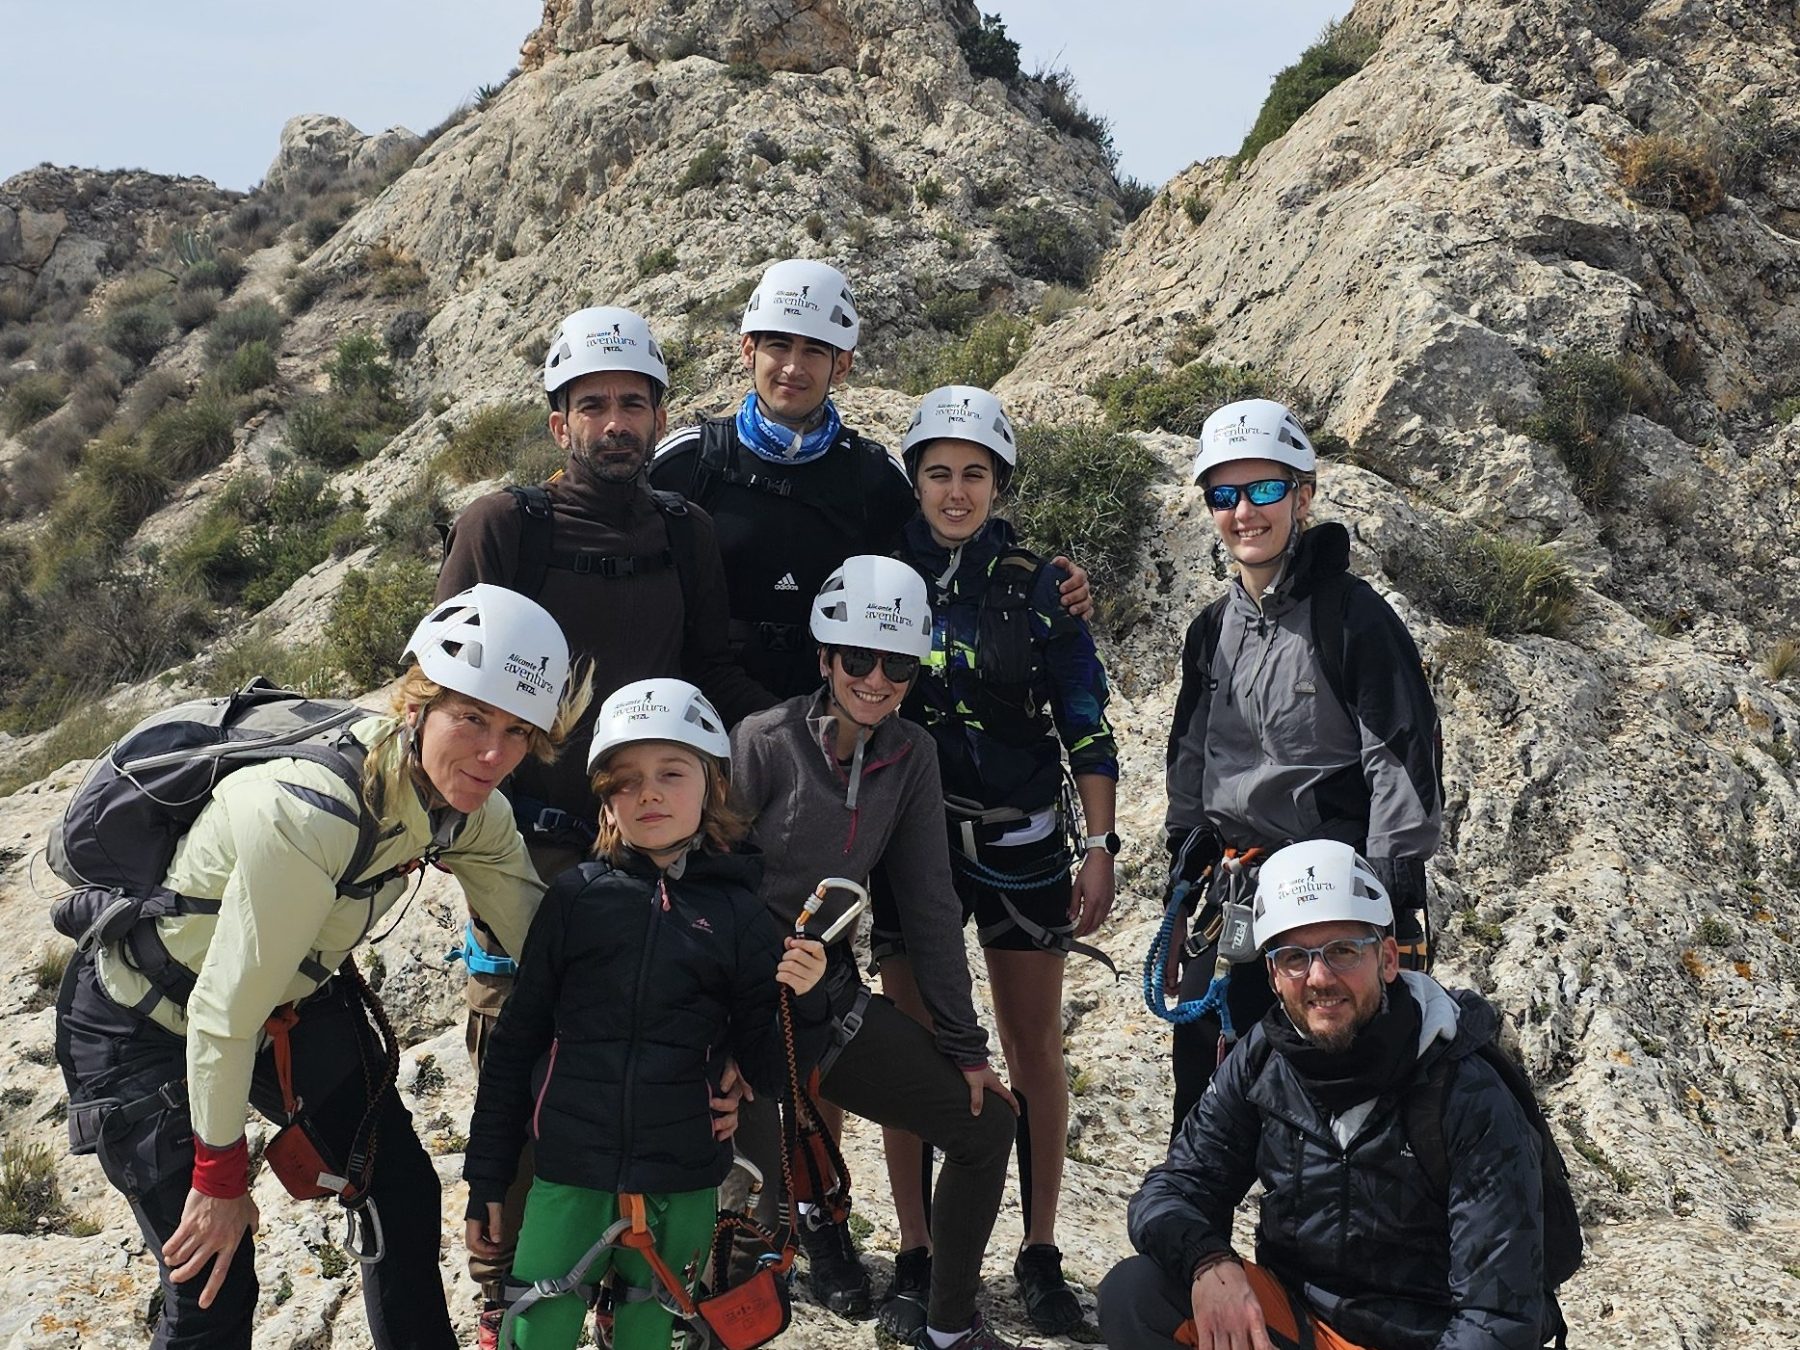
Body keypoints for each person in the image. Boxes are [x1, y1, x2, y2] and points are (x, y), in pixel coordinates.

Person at [53, 585, 588, 1349]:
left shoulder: (469, 809)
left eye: (518, 732)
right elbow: (221, 1016)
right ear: (417, 706)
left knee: (400, 1191)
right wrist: (218, 1176)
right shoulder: (306, 811)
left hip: (286, 1001)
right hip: (142, 1021)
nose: (495, 755)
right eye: (471, 718)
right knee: (213, 1282)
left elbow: (543, 946)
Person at [437, 305, 769, 1334]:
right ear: (558, 424)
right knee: (528, 1034)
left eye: (634, 404)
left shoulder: (687, 531)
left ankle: (664, 1256)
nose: (615, 424)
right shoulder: (505, 525)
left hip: (657, 825)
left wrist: (769, 774)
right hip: (530, 830)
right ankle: (511, 1256)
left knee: (671, 1020)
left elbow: (712, 670)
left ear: (661, 414)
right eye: (593, 407)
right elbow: (447, 679)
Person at [462, 679, 829, 1350]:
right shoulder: (575, 899)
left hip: (680, 1184)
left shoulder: (743, 917)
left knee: (647, 1338)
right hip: (568, 1173)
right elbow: (516, 1044)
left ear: (712, 784)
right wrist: (486, 1177)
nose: (649, 792)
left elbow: (771, 1072)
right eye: (625, 781)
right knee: (533, 1335)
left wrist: (807, 1001)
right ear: (605, 799)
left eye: (670, 772)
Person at [729, 555, 1025, 1350]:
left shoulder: (911, 755)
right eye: (856, 657)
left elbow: (930, 907)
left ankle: (950, 1330)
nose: (876, 678)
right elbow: (708, 882)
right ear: (824, 657)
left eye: (897, 663)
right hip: (738, 1008)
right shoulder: (763, 741)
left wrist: (965, 1051)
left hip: (824, 1001)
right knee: (743, 1211)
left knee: (985, 1124)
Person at [873, 386, 1120, 1339]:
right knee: (910, 1052)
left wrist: (1099, 848)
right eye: (938, 472)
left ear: (1000, 481)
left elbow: (1086, 726)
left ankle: (1041, 1251)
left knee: (1031, 1049)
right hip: (913, 846)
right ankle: (917, 1251)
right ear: (915, 479)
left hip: (1022, 840)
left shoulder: (1039, 583)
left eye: (975, 473)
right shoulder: (880, 570)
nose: (956, 491)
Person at [1099, 839, 1549, 1350]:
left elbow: (1496, 1316)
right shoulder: (1264, 1059)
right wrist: (1208, 1261)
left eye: (1341, 951)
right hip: (1304, 1324)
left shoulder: (1464, 1088)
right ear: (1272, 974)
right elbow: (1175, 1189)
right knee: (1138, 1294)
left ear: (1385, 959)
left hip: (1427, 1337)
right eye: (1294, 957)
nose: (1318, 978)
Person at [1162, 398, 1442, 1133]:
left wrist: (1395, 896)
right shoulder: (1211, 630)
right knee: (1202, 1083)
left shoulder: (1354, 618)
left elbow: (1400, 757)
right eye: (1225, 495)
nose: (1244, 512)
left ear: (1303, 495)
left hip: (1327, 895)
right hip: (1232, 891)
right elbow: (1190, 754)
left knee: (1334, 1101)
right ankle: (1197, 1243)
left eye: (1264, 490)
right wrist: (1184, 858)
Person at [649, 258, 1091, 703]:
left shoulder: (874, 477)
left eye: (815, 351)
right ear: (748, 350)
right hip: (701, 725)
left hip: (829, 727)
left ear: (842, 365)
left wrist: (1049, 585)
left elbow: (948, 549)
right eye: (779, 345)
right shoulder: (690, 461)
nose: (793, 367)